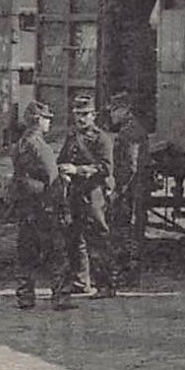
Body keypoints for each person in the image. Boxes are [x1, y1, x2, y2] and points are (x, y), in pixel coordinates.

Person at [11, 101, 70, 309]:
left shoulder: (21, 143)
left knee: (26, 253)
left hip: (26, 206)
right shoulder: (40, 146)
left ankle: (25, 297)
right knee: (56, 253)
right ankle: (60, 297)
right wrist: (61, 206)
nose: (49, 123)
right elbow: (52, 179)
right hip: (43, 207)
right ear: (39, 121)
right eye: (47, 119)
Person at [57, 94, 116, 299]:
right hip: (75, 193)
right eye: (77, 114)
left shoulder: (102, 139)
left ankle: (106, 285)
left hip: (93, 194)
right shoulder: (72, 136)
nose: (81, 119)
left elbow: (105, 168)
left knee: (97, 239)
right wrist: (63, 170)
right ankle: (81, 282)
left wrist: (77, 169)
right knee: (75, 239)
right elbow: (62, 158)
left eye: (85, 114)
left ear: (93, 115)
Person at [106, 92, 153, 288]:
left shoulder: (130, 132)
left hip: (132, 191)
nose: (111, 115)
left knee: (128, 231)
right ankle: (128, 274)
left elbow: (131, 167)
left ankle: (129, 275)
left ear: (125, 109)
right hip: (135, 189)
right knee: (130, 230)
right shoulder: (131, 129)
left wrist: (118, 190)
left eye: (114, 111)